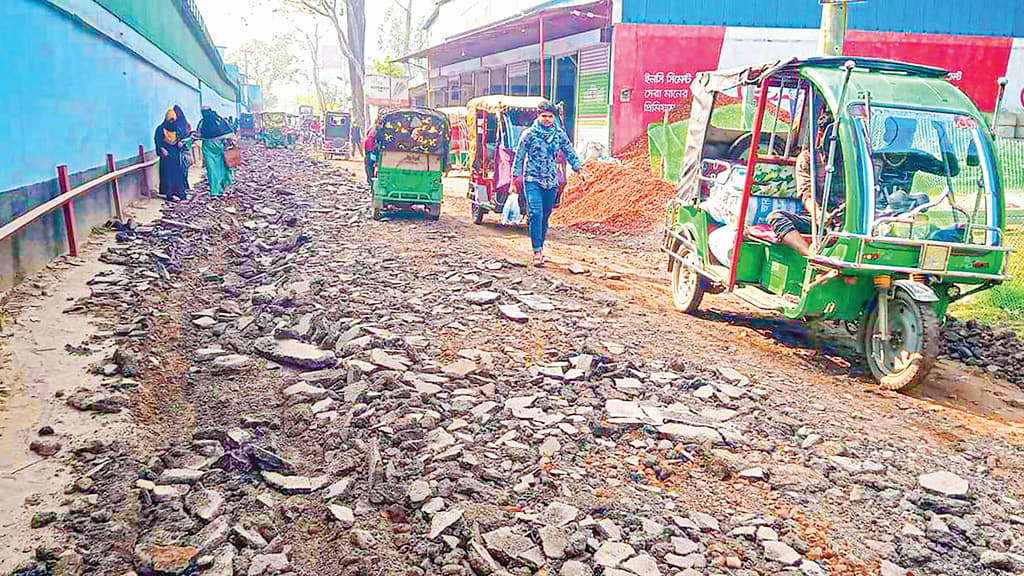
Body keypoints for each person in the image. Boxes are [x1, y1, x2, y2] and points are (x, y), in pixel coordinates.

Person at [511, 101, 584, 267]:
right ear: (538, 116)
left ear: (554, 118)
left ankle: (540, 245)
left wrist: (579, 169)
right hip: (532, 180)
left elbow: (570, 152)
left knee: (544, 216)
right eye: (544, 116)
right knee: (535, 213)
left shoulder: (559, 135)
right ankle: (537, 251)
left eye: (550, 116)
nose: (547, 119)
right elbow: (519, 158)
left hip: (551, 182)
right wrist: (513, 180)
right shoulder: (529, 135)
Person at [768, 110, 843, 257]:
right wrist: (819, 214)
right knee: (776, 217)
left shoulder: (857, 160)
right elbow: (805, 192)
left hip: (849, 220)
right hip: (821, 220)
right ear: (821, 134)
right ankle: (809, 254)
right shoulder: (808, 158)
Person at [197, 106, 236, 197]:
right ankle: (216, 190)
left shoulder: (203, 122)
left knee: (213, 170)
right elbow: (229, 133)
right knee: (217, 169)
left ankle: (217, 190)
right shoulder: (219, 120)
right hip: (217, 147)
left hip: (210, 148)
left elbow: (198, 134)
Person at [155, 108, 188, 201]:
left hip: (176, 154)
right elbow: (157, 141)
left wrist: (181, 143)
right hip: (166, 155)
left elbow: (181, 138)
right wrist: (161, 149)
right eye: (170, 120)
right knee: (167, 174)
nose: (172, 122)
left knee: (177, 173)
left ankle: (179, 193)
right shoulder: (160, 129)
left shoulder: (177, 128)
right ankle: (169, 193)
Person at [172, 105, 192, 190]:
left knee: (180, 168)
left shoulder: (175, 124)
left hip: (179, 149)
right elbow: (190, 135)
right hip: (186, 149)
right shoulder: (186, 123)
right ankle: (185, 185)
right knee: (184, 168)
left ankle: (182, 186)